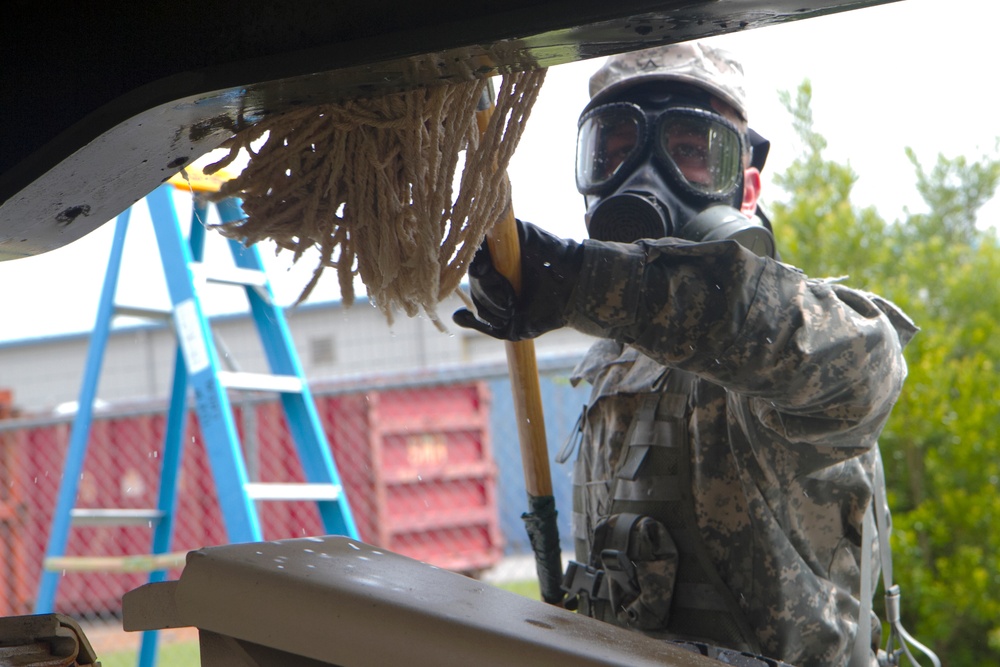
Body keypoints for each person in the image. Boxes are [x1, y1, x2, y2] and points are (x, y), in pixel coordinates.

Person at [453, 42, 918, 667]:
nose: (642, 177)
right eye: (614, 152)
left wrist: (588, 281)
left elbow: (857, 364)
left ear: (747, 186)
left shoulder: (791, 339)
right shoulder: (615, 357)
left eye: (690, 152)